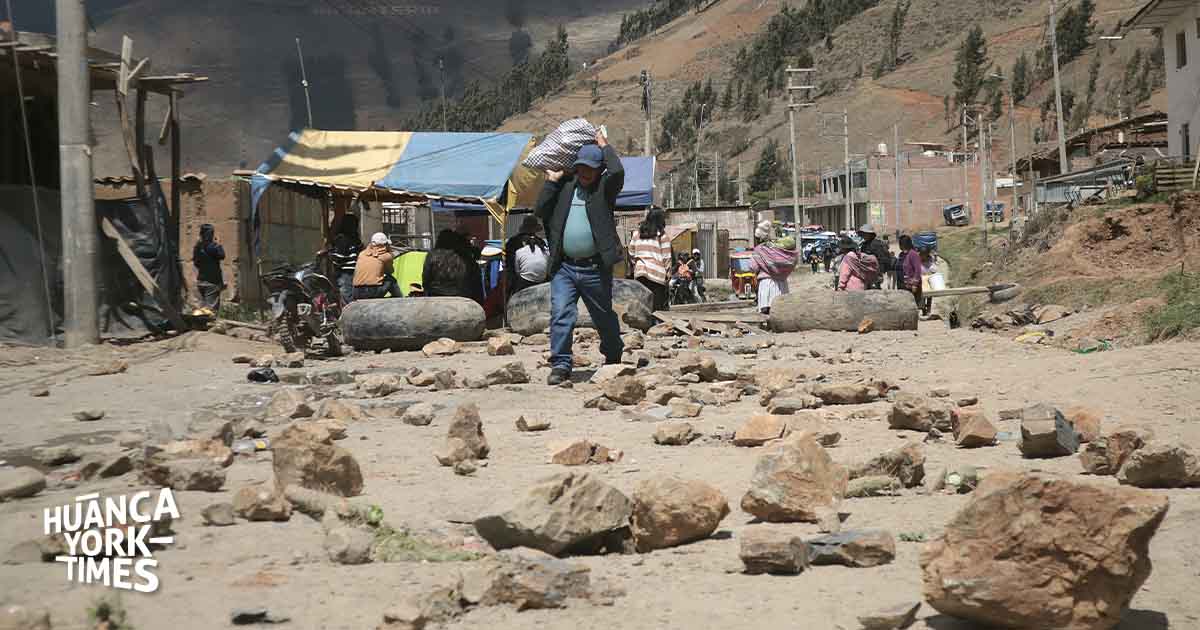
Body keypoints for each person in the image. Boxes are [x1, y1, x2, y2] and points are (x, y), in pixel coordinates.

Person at [536, 130, 626, 385]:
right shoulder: (564, 188)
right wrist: (552, 181)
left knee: (603, 315)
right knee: (561, 313)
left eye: (591, 169)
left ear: (599, 170)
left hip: (594, 268)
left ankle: (613, 354)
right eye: (582, 168)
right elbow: (540, 209)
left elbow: (617, 171)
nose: (586, 173)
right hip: (564, 267)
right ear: (575, 168)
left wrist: (604, 146)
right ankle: (561, 364)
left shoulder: (604, 190)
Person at [422, 229, 485, 302]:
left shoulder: (432, 255)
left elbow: (425, 279)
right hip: (461, 298)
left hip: (436, 297)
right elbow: (475, 281)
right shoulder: (463, 256)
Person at [627, 208, 672, 311]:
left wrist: (637, 263)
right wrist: (668, 275)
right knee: (656, 309)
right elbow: (666, 258)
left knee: (643, 307)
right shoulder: (662, 236)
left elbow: (631, 252)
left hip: (640, 273)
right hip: (656, 275)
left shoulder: (637, 234)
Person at [751, 220, 798, 315]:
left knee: (766, 311)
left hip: (766, 284)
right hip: (782, 284)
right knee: (781, 311)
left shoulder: (759, 250)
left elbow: (753, 268)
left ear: (759, 238)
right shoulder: (779, 248)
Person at [505, 216, 549, 297]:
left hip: (519, 278)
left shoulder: (512, 241)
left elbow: (510, 264)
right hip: (541, 279)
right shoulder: (541, 242)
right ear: (535, 229)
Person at [352, 233, 402, 299]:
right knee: (390, 279)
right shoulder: (386, 256)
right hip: (372, 291)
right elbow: (390, 271)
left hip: (356, 291)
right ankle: (400, 299)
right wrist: (389, 252)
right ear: (384, 245)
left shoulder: (362, 254)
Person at [329, 214, 362, 305]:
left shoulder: (342, 239)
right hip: (357, 272)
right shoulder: (356, 239)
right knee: (353, 297)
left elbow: (339, 258)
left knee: (347, 299)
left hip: (345, 273)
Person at [193, 223, 226, 311]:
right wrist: (218, 244)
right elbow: (222, 255)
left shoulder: (197, 247)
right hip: (212, 281)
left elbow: (196, 263)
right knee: (211, 311)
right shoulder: (213, 247)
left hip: (201, 280)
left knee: (201, 310)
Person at [857, 224, 892, 289]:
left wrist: (880, 273)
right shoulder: (864, 245)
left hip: (875, 274)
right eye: (863, 233)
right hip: (866, 274)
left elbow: (882, 259)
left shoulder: (877, 244)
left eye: (865, 233)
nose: (863, 235)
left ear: (870, 234)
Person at [898, 234, 923, 306]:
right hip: (903, 286)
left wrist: (914, 284)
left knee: (913, 306)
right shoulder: (901, 255)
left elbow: (918, 270)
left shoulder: (913, 254)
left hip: (912, 287)